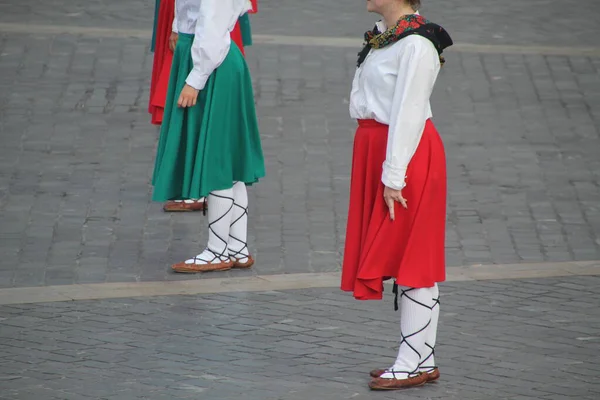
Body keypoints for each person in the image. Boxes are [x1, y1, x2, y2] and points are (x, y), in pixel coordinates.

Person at [340, 0, 452, 391]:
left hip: (404, 153)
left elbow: (409, 111)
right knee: (406, 252)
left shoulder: (416, 45)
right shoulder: (388, 37)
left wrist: (394, 176)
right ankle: (421, 357)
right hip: (382, 149)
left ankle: (411, 361)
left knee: (413, 255)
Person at [152, 0, 265, 273]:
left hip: (213, 65)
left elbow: (213, 25)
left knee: (218, 157)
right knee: (228, 159)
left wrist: (195, 79)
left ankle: (218, 250)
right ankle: (236, 246)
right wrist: (179, 27)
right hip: (210, 61)